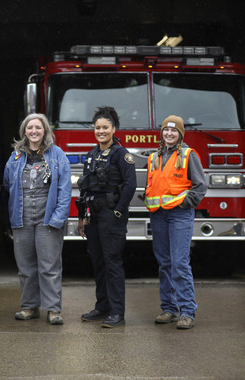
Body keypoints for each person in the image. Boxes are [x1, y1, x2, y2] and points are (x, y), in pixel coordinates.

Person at [3, 113, 72, 325]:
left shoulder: (57, 154)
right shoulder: (15, 156)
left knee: (49, 266)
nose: (34, 131)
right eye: (30, 127)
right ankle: (29, 307)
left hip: (48, 218)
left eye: (38, 128)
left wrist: (58, 218)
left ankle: (53, 309)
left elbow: (65, 189)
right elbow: (7, 183)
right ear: (24, 131)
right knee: (25, 267)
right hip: (22, 218)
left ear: (45, 131)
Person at [76, 106, 136, 328]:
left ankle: (117, 312)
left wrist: (119, 210)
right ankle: (102, 307)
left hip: (112, 216)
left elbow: (131, 185)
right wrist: (82, 218)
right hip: (93, 217)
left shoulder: (122, 154)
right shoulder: (92, 155)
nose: (101, 131)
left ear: (114, 129)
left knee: (112, 262)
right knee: (98, 262)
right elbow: (85, 188)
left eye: (105, 127)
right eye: (97, 128)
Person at [145, 115, 207, 329]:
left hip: (180, 215)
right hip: (159, 215)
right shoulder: (154, 157)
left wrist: (185, 203)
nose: (169, 134)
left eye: (174, 131)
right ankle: (169, 309)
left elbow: (200, 186)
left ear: (180, 134)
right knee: (164, 263)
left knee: (179, 263)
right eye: (166, 130)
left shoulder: (189, 155)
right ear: (161, 133)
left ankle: (187, 312)